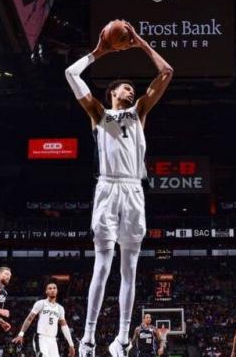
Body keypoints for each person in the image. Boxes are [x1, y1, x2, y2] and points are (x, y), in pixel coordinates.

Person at [65, 20, 173, 357]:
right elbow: (71, 74)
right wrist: (98, 52)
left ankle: (123, 338)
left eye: (131, 87)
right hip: (108, 188)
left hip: (134, 189)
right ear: (113, 93)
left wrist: (140, 42)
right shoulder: (98, 113)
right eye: (125, 87)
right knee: (102, 265)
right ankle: (88, 339)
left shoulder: (140, 111)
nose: (131, 89)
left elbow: (166, 72)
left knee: (130, 268)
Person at [13, 281, 76, 357]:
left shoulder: (60, 308)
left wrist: (71, 344)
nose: (52, 290)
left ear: (57, 291)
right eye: (50, 288)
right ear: (46, 291)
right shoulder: (41, 303)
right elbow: (29, 319)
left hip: (53, 339)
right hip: (41, 337)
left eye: (54, 288)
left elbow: (64, 327)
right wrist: (21, 334)